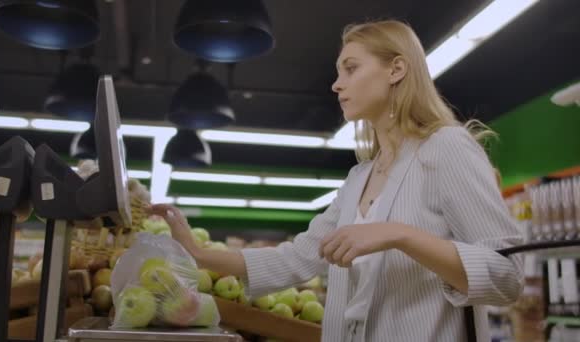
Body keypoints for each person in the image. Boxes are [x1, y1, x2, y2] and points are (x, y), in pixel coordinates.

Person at [147, 20, 523, 342]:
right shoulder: (360, 176)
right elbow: (299, 257)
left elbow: (506, 275)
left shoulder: (446, 148)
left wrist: (399, 234)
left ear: (396, 70)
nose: (336, 85)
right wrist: (198, 255)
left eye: (351, 68)